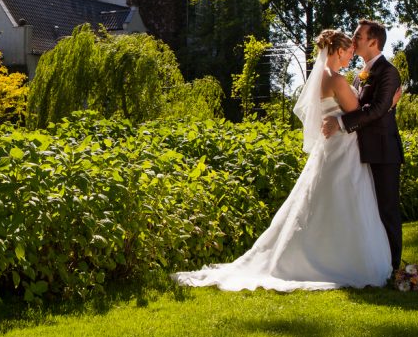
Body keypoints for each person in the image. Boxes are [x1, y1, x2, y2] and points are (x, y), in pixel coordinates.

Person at [172, 29, 392, 291]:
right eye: (349, 52)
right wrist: (389, 105)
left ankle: (320, 254)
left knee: (325, 201)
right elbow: (357, 113)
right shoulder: (337, 80)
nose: (351, 57)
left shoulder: (320, 77)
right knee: (346, 201)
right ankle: (344, 259)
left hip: (330, 149)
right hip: (343, 150)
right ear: (339, 50)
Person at [322, 19, 404, 271]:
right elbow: (370, 107)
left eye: (358, 36)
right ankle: (376, 263)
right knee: (370, 211)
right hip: (361, 150)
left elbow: (377, 108)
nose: (354, 40)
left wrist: (341, 122)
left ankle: (392, 266)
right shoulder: (360, 75)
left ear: (373, 41)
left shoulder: (388, 71)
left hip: (383, 150)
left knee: (387, 210)